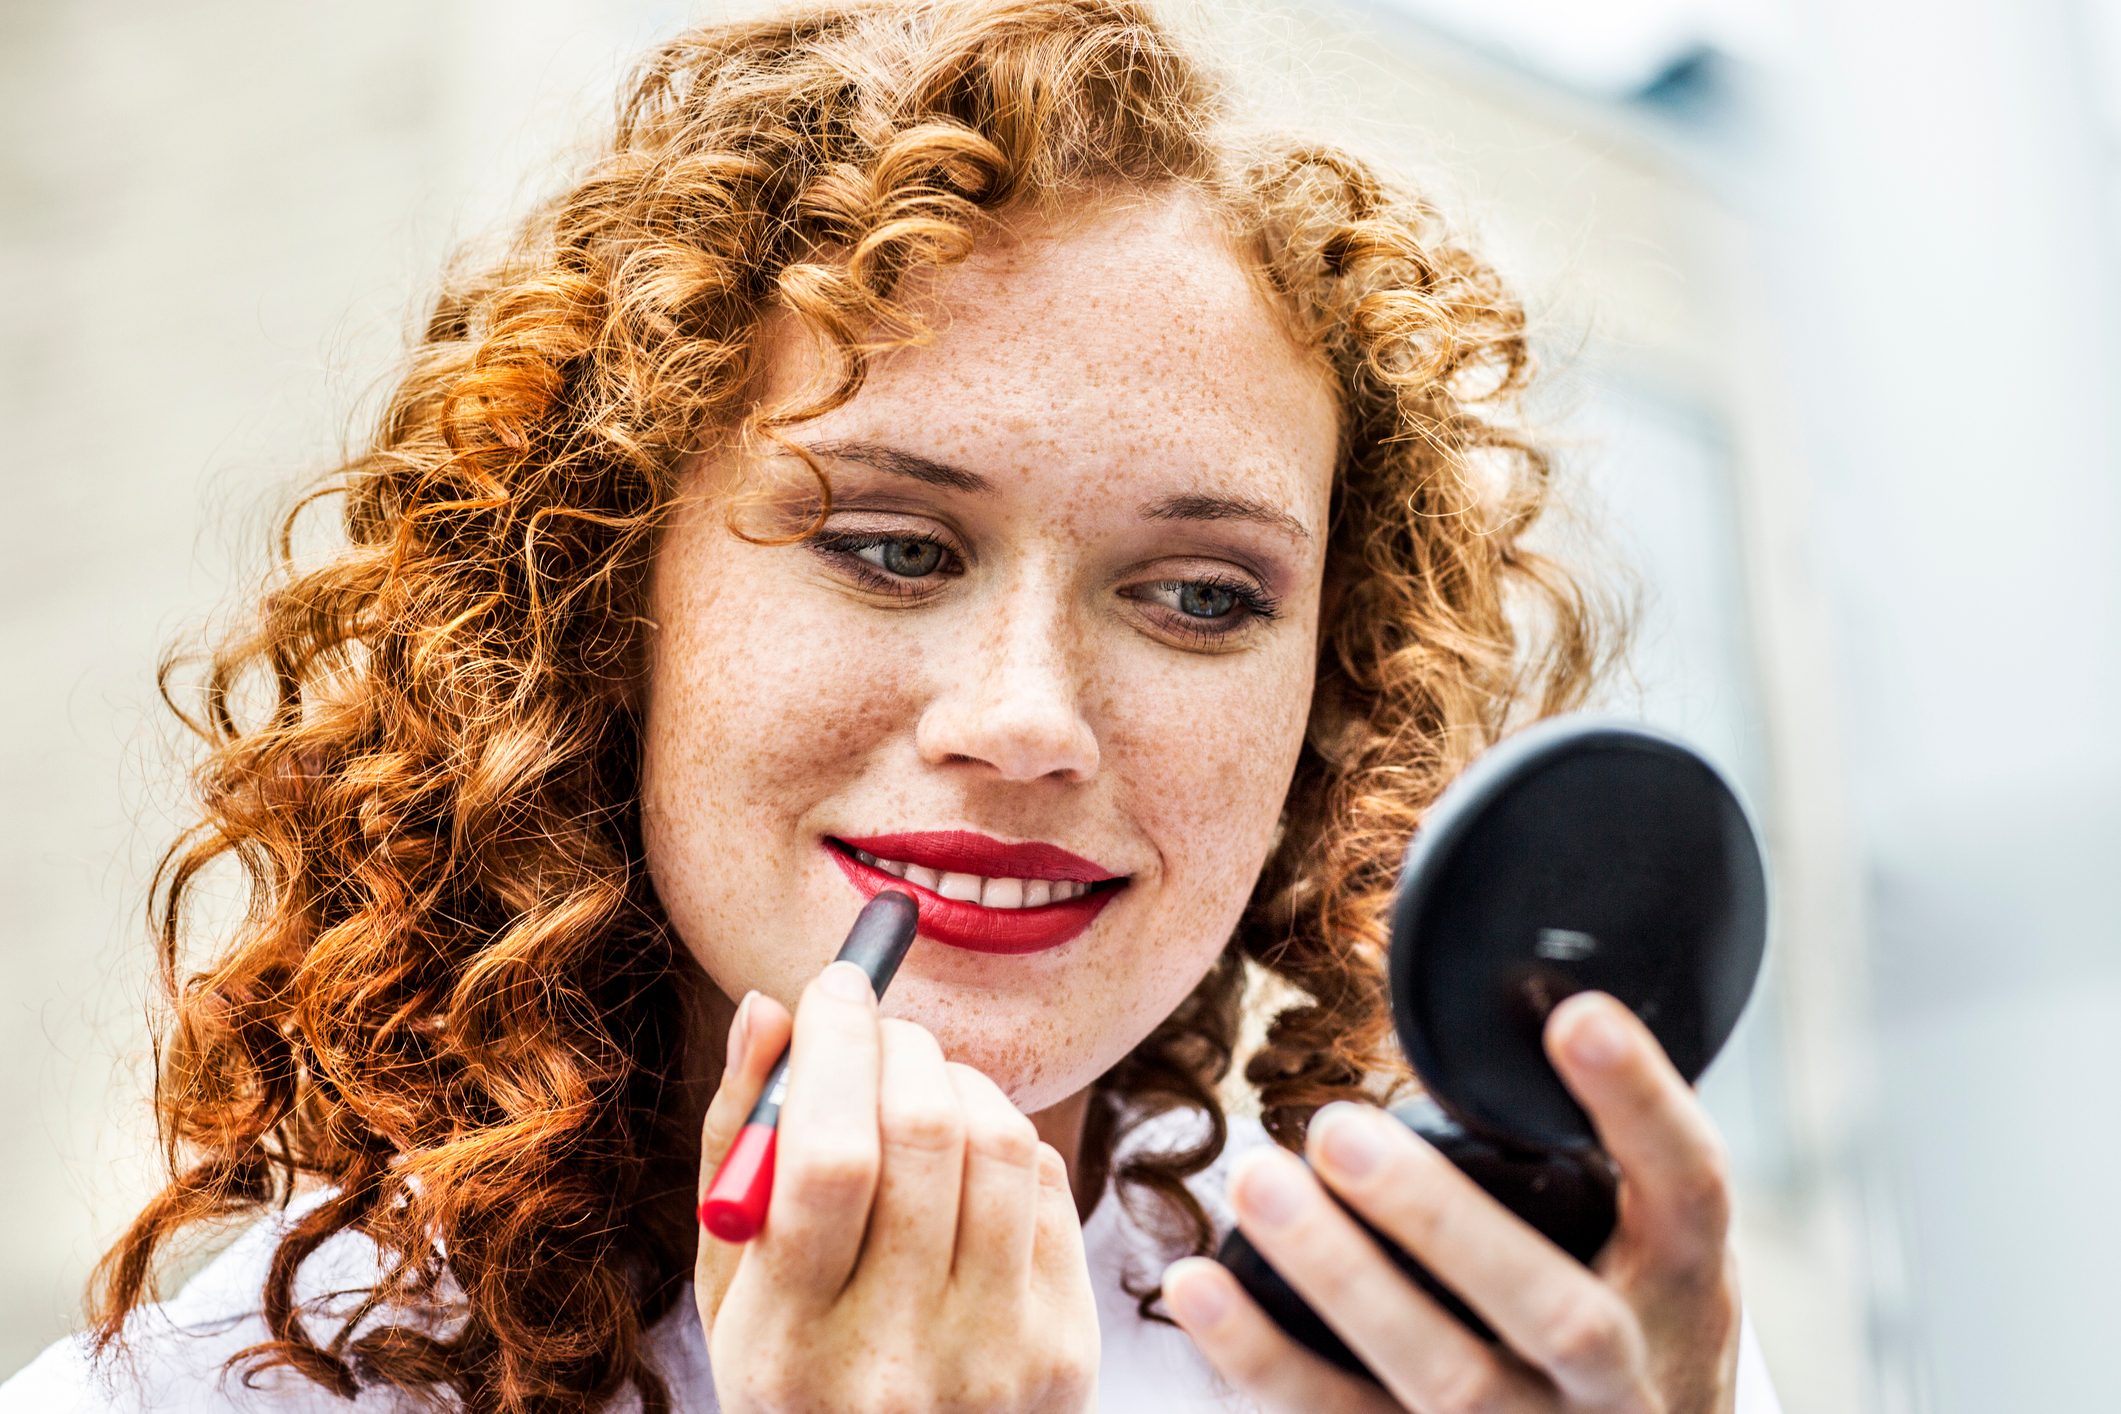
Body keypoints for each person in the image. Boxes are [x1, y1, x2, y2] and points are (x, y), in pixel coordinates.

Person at [2, 0, 1782, 1409]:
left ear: (1330, 702)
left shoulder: (1490, 1360)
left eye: (1201, 595)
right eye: (891, 548)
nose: (1026, 719)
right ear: (602, 606)